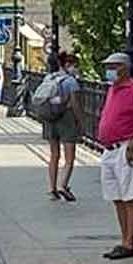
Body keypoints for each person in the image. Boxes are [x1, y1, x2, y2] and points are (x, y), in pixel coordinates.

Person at [95, 51, 133, 260]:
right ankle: (124, 238)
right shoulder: (112, 90)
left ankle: (130, 242)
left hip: (126, 147)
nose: (109, 71)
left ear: (124, 68)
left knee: (129, 195)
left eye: (113, 66)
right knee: (116, 196)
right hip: (109, 149)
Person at [42, 50, 83, 202]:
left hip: (50, 118)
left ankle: (52, 188)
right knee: (69, 157)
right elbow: (74, 104)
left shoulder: (49, 78)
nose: (76, 69)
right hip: (67, 119)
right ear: (67, 65)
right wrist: (80, 121)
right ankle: (63, 184)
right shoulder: (71, 82)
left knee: (54, 155)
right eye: (74, 65)